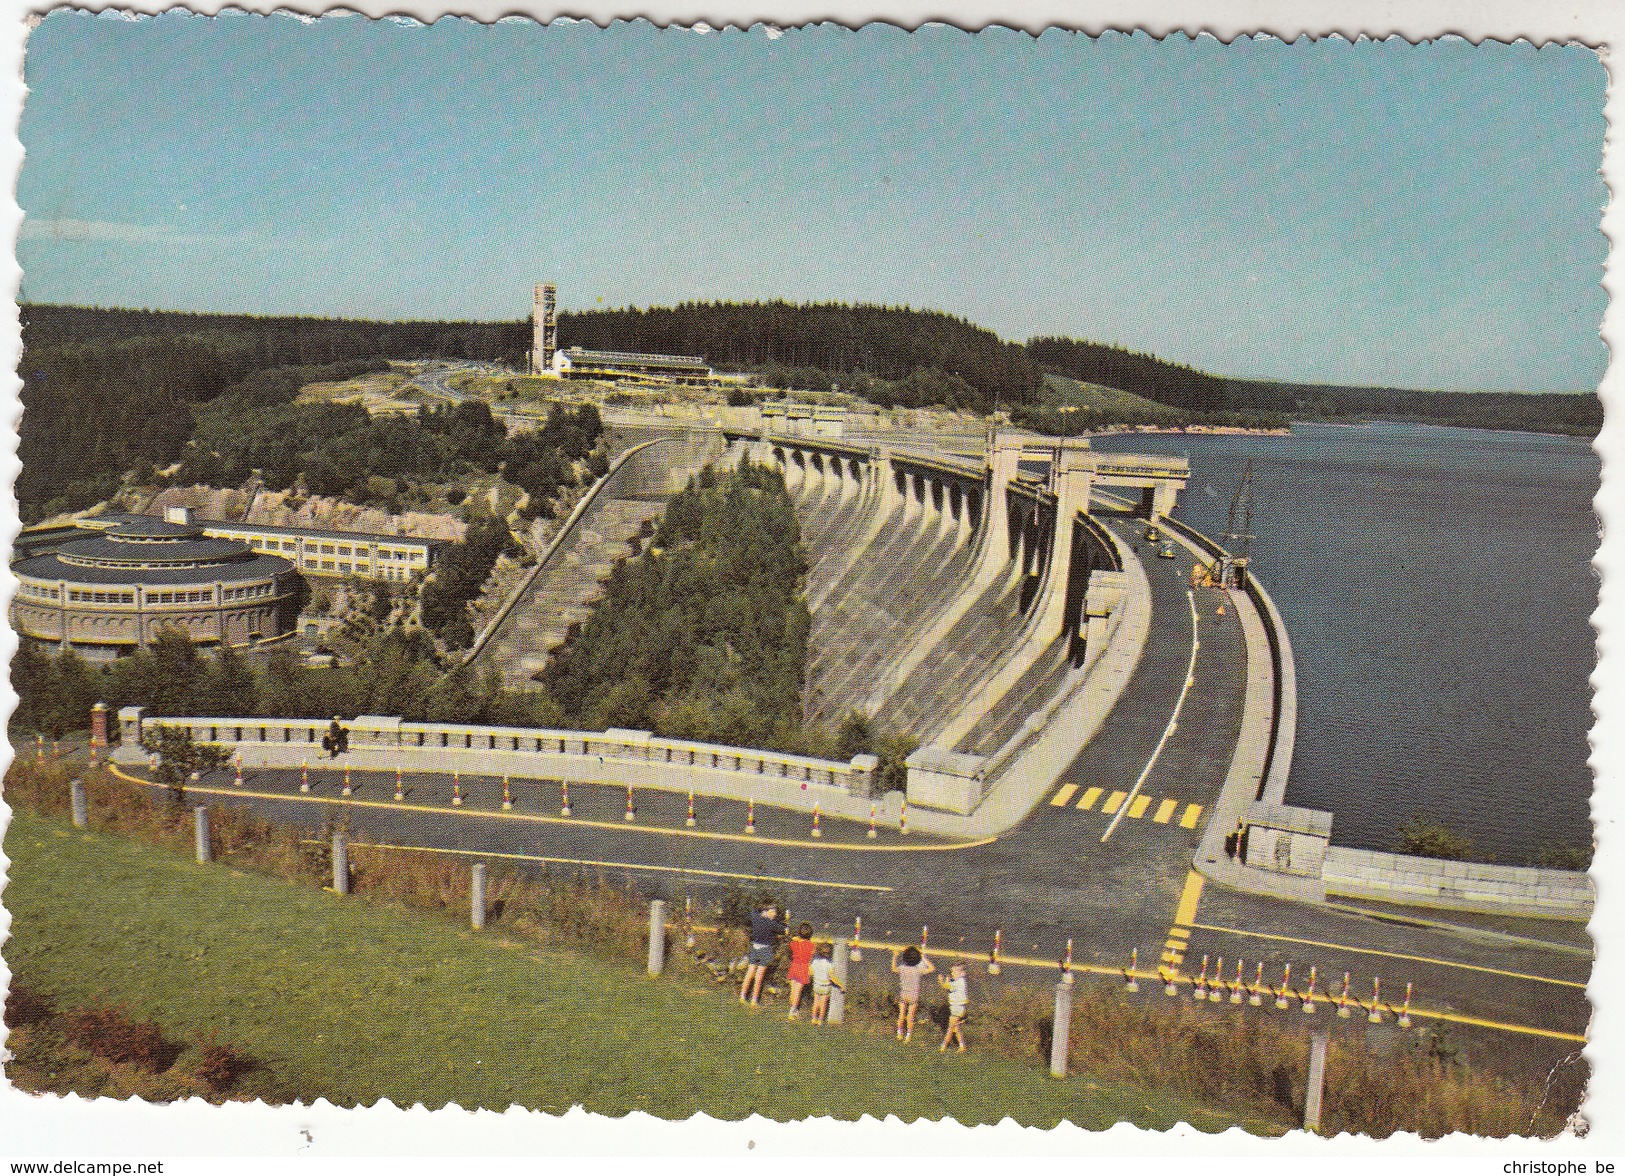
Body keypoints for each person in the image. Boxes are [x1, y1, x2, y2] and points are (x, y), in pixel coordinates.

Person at [739, 902, 784, 1006]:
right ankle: (754, 1000)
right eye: (772, 912)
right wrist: (787, 919)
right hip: (766, 949)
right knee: (759, 976)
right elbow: (785, 930)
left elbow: (753, 910)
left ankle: (742, 995)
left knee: (750, 972)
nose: (774, 914)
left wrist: (761, 911)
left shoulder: (755, 917)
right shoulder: (772, 924)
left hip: (754, 947)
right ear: (766, 912)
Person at [891, 944, 935, 1041]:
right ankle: (908, 1035)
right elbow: (932, 968)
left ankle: (899, 1032)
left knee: (901, 1014)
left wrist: (894, 956)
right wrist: (924, 958)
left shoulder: (902, 968)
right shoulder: (919, 969)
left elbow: (893, 968)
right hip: (913, 996)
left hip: (904, 994)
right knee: (910, 1016)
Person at [786, 923, 816, 1019]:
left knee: (793, 989)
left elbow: (790, 947)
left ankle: (792, 1007)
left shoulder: (794, 944)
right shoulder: (811, 945)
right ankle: (793, 1011)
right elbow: (813, 954)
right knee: (798, 990)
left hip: (794, 966)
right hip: (803, 968)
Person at [939, 962, 969, 1053]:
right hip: (956, 1007)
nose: (953, 973)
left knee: (950, 1027)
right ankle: (962, 1046)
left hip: (958, 1008)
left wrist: (941, 980)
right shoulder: (958, 981)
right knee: (956, 1028)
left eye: (956, 971)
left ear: (962, 973)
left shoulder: (960, 982)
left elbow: (945, 986)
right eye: (952, 971)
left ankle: (943, 1046)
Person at [809, 944, 841, 1025]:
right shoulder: (830, 962)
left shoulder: (815, 960)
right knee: (823, 1004)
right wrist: (840, 985)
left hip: (817, 984)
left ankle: (813, 1019)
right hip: (826, 985)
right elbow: (831, 977)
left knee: (816, 1002)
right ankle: (820, 1020)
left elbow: (811, 972)